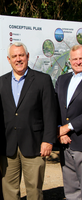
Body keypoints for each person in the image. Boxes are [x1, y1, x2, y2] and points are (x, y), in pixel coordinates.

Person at [0, 42, 57, 200]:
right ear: (9, 59)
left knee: (34, 191)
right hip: (7, 146)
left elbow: (50, 112)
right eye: (14, 56)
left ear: (27, 57)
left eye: (21, 55)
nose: (18, 59)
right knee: (9, 191)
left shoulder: (42, 80)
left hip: (35, 144)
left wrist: (48, 140)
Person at [55, 44, 82, 200]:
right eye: (75, 59)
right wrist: (59, 129)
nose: (78, 62)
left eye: (81, 58)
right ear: (70, 61)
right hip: (65, 143)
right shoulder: (62, 79)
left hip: (80, 140)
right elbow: (55, 107)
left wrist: (67, 128)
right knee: (71, 188)